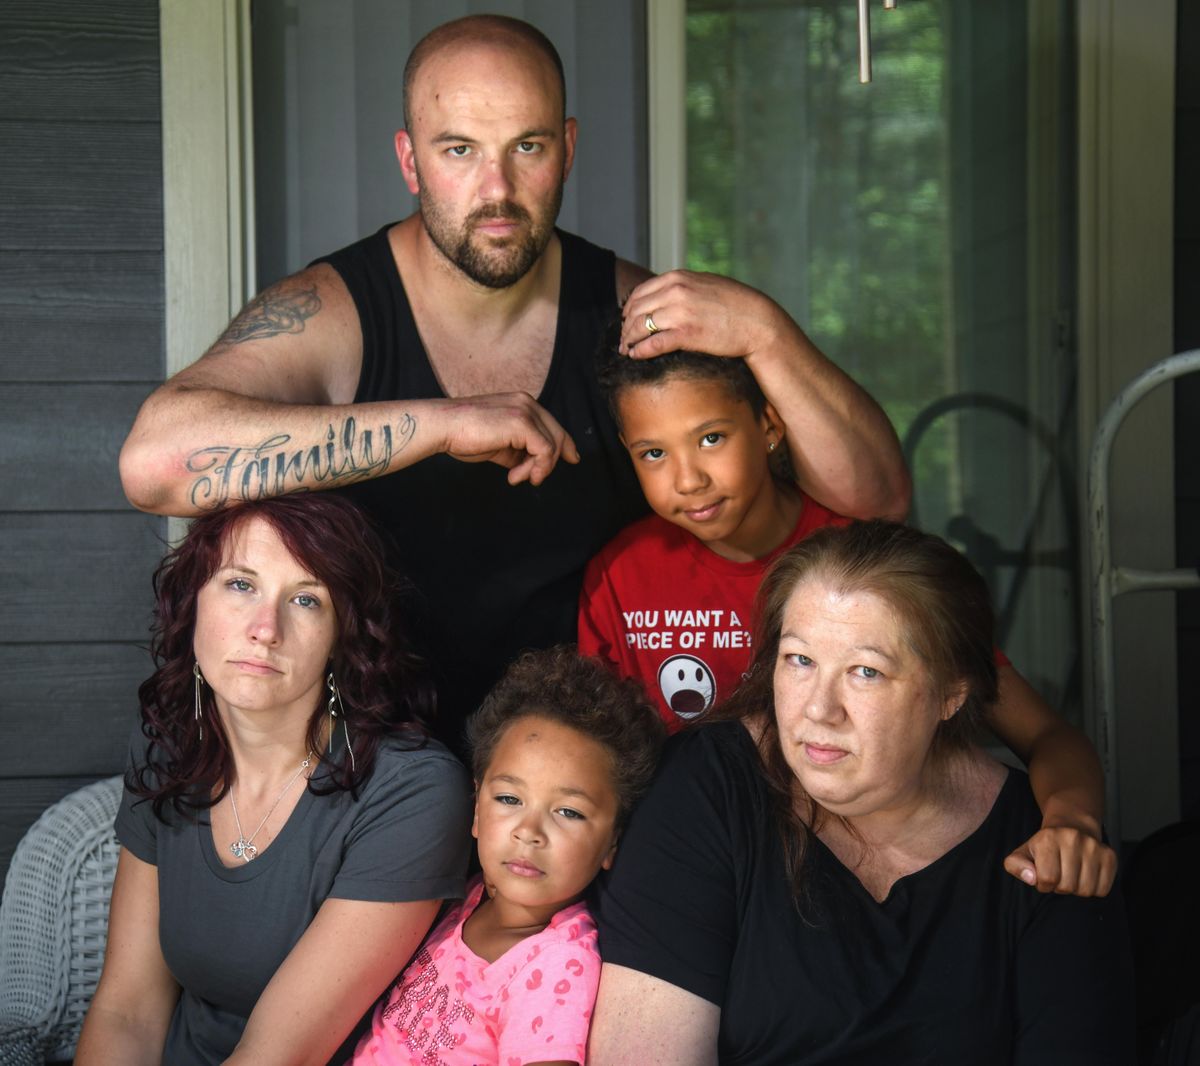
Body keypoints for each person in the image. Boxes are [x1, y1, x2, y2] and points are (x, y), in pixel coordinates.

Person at [116, 14, 910, 748]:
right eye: (459, 149)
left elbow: (874, 500)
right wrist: (440, 424)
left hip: (589, 787)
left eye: (525, 147)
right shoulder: (335, 313)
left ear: (567, 148)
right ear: (410, 160)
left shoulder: (635, 314)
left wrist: (770, 335)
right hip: (371, 776)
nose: (495, 190)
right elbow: (154, 464)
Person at [587, 521, 1135, 1065]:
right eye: (799, 660)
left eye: (866, 672)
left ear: (951, 694)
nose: (818, 709)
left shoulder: (1046, 848)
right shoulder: (705, 791)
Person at [580, 346, 1115, 895]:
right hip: (696, 870)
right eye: (652, 453)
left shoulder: (856, 562)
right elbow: (596, 761)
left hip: (857, 873)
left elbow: (1048, 735)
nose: (687, 478)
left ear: (768, 426)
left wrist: (1071, 823)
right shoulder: (620, 574)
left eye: (711, 438)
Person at [76, 495, 473, 1066]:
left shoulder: (410, 793)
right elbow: (127, 1011)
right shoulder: (169, 749)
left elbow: (279, 1056)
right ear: (192, 606)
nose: (266, 629)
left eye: (306, 599)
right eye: (241, 585)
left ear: (342, 637)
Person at [351, 647, 665, 1066]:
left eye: (568, 812)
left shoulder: (557, 965)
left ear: (611, 844)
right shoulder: (469, 895)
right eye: (509, 798)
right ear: (477, 810)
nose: (529, 832)